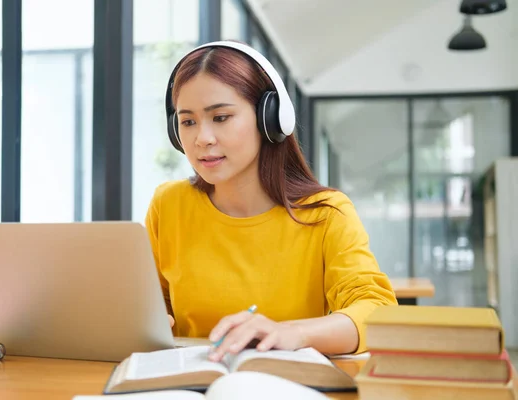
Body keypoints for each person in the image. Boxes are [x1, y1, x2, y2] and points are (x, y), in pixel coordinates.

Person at [144, 40, 397, 363]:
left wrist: (295, 333)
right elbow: (151, 307)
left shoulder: (326, 213)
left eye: (220, 117)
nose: (201, 138)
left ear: (270, 118)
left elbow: (378, 312)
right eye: (188, 121)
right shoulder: (169, 204)